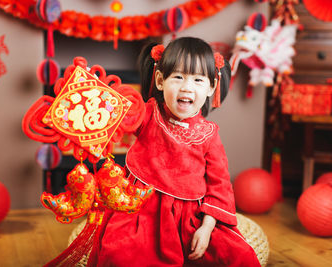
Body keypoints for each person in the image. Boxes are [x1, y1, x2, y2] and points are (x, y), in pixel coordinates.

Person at [93, 37, 261, 267]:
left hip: (189, 218)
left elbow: (219, 186)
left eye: (198, 79)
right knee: (120, 254)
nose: (187, 87)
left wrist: (207, 227)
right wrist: (94, 102)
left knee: (239, 256)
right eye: (178, 77)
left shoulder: (209, 135)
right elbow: (116, 119)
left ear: (212, 87)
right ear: (160, 80)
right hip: (141, 212)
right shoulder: (148, 113)